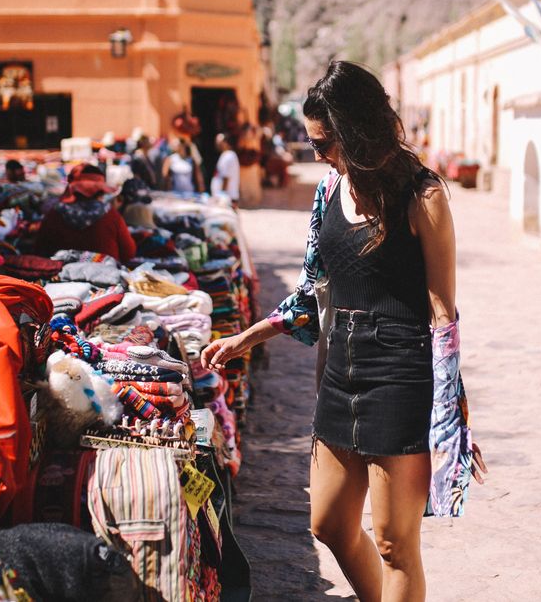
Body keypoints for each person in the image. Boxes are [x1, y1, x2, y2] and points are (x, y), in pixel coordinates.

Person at [202, 61, 481, 602]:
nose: (317, 155)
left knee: (395, 544)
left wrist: (451, 418)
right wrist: (248, 337)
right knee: (327, 522)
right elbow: (312, 292)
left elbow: (444, 314)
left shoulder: (424, 197)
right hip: (339, 372)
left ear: (357, 131)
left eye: (324, 143)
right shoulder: (330, 190)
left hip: (399, 375)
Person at [34, 164, 136, 262]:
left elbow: (39, 250)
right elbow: (129, 253)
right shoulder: (111, 215)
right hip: (106, 274)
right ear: (101, 191)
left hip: (60, 274)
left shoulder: (54, 214)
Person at [209, 132, 240, 206]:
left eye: (219, 142)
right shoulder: (225, 155)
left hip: (227, 198)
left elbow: (226, 177)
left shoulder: (229, 156)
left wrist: (222, 195)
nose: (217, 144)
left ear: (226, 142)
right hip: (224, 197)